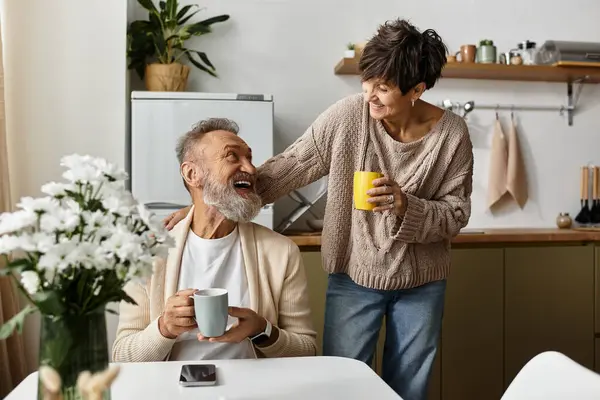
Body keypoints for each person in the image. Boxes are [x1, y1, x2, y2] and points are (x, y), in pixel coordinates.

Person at [163, 19, 473, 399]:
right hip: (352, 274)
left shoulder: (452, 134)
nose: (370, 95)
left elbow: (456, 214)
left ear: (417, 90)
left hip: (422, 283)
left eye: (384, 88)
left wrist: (406, 205)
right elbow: (287, 168)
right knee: (340, 383)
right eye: (367, 81)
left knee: (407, 389)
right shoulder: (348, 116)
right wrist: (207, 202)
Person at [112, 117, 317, 363]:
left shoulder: (281, 252)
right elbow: (122, 356)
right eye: (232, 157)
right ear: (192, 174)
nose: (251, 169)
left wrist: (261, 330)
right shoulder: (148, 252)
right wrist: (165, 328)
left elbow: (308, 351)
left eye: (249, 158)